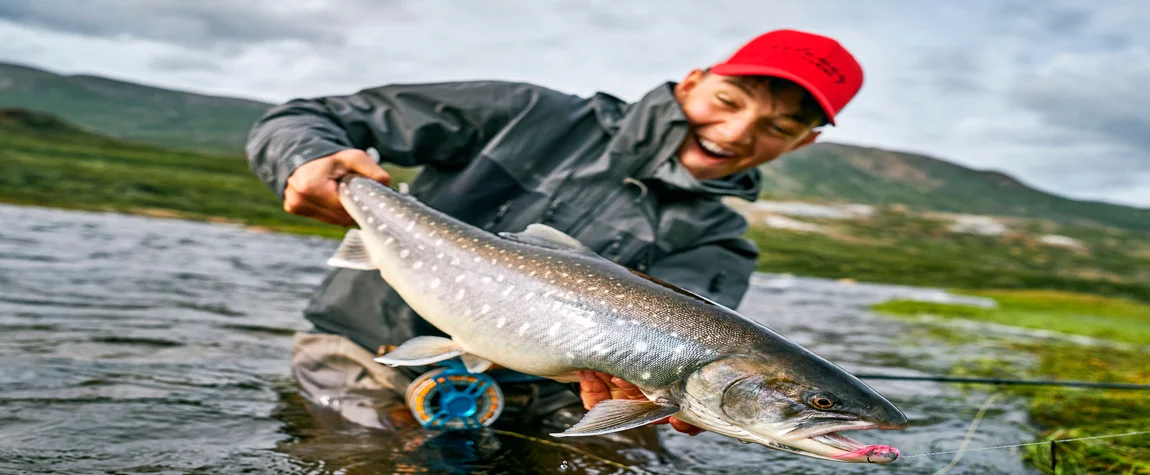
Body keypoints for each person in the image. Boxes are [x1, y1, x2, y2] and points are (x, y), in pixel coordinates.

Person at [245, 29, 864, 441]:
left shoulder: (720, 246)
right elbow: (304, 118)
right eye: (728, 100)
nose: (736, 133)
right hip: (361, 354)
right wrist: (303, 159)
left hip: (535, 401)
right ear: (692, 82)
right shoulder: (529, 113)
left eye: (778, 126)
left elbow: (655, 380)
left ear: (802, 143)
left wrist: (646, 402)